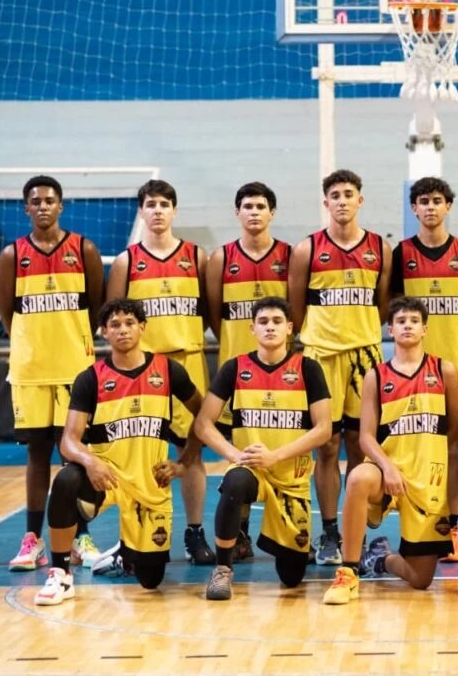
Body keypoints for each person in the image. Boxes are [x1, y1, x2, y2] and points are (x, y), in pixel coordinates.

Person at [33, 298, 203, 605]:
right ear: (103, 332)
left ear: (142, 327)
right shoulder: (91, 378)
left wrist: (184, 462)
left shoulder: (168, 370)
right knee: (66, 481)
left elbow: (203, 415)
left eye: (129, 323)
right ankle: (60, 575)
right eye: (114, 325)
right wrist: (90, 461)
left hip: (151, 482)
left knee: (150, 580)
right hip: (107, 477)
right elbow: (68, 441)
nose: (122, 330)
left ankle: (126, 551)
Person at [0, 175, 105, 573]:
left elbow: (97, 308)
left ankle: (80, 537)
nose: (43, 206)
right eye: (35, 201)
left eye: (50, 200)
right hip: (29, 372)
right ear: (26, 208)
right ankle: (33, 540)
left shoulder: (84, 249)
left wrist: (72, 344)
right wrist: (33, 346)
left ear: (61, 206)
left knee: (75, 457)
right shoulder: (12, 255)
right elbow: (8, 315)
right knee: (37, 453)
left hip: (75, 372)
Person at [323, 297, 458, 604]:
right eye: (401, 321)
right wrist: (387, 466)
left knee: (421, 580)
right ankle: (347, 573)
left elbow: (455, 427)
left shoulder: (445, 371)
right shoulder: (376, 376)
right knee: (359, 476)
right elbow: (366, 438)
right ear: (390, 330)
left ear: (425, 328)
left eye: (414, 321)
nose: (408, 326)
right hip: (387, 472)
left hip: (427, 481)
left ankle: (379, 558)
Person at [192, 296, 332, 600]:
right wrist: (235, 456)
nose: (270, 327)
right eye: (264, 322)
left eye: (277, 321)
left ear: (290, 328)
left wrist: (276, 456)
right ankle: (223, 570)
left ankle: (290, 542)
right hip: (251, 469)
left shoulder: (308, 369)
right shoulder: (234, 368)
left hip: (290, 478)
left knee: (292, 577)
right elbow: (203, 424)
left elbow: (324, 429)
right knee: (234, 480)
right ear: (252, 328)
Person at [106, 179, 214, 565]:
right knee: (136, 456)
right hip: (140, 370)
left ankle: (195, 532)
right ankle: (133, 540)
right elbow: (113, 316)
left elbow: (210, 311)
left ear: (174, 210)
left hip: (186, 362)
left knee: (192, 452)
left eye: (165, 203)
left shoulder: (197, 256)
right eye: (150, 204)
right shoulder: (126, 261)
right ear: (141, 210)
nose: (157, 210)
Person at [288, 169, 392, 566]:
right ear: (325, 202)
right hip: (321, 355)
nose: (343, 200)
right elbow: (296, 306)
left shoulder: (379, 248)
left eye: (349, 194)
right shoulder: (307, 249)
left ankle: (357, 534)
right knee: (326, 446)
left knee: (360, 445)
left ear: (360, 200)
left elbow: (381, 304)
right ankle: (330, 532)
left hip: (364, 354)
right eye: (335, 194)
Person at [390, 176, 458, 563]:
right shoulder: (401, 254)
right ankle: (412, 528)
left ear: (448, 206)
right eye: (423, 201)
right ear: (414, 208)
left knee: (453, 448)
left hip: (452, 367)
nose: (430, 207)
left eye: (437, 200)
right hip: (409, 370)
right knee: (413, 448)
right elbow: (393, 307)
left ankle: (451, 529)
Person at [204, 182, 290, 560]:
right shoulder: (221, 258)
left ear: (272, 212)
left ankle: (288, 523)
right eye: (247, 206)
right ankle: (238, 534)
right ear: (236, 213)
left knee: (281, 450)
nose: (254, 212)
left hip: (280, 373)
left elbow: (296, 310)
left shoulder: (289, 255)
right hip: (237, 371)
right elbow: (212, 312)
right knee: (238, 453)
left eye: (260, 206)